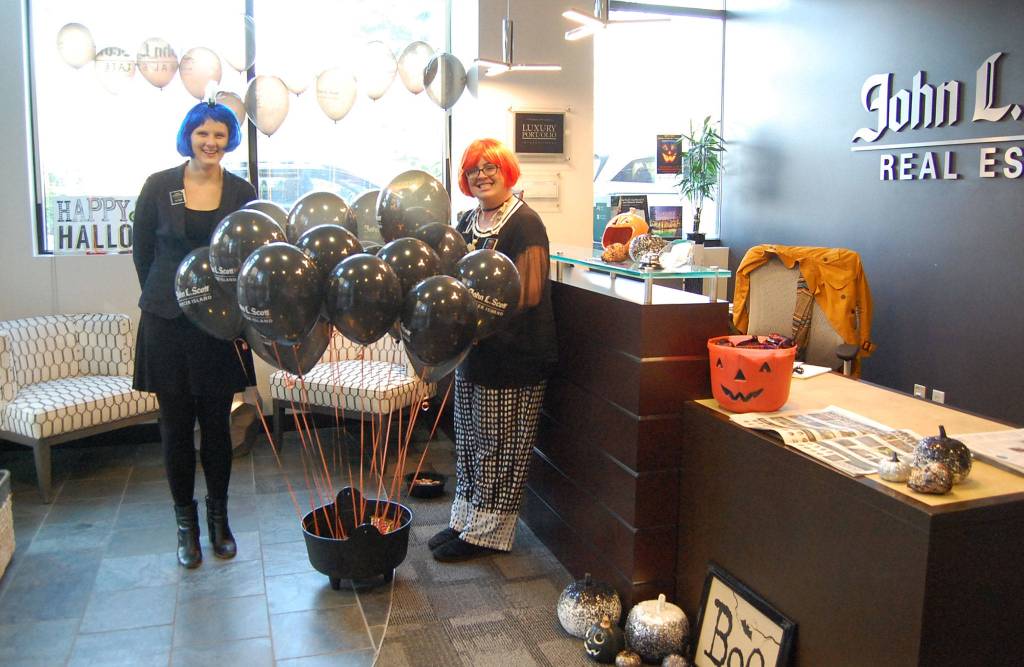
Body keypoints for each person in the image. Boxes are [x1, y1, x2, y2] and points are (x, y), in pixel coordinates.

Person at [132, 102, 257, 568]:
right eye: (203, 133)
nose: (211, 142)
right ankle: (185, 527)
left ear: (229, 140)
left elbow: (252, 253)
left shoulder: (242, 190)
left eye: (220, 134)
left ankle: (219, 521)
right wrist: (168, 295)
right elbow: (142, 253)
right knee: (175, 428)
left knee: (219, 428)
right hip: (167, 324)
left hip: (219, 326)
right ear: (189, 135)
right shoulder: (160, 186)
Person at [429, 138, 558, 562]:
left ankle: (487, 533)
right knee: (468, 442)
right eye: (472, 171)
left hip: (514, 357)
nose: (481, 176)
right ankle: (465, 519)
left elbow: (530, 294)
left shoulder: (526, 223)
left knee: (499, 448)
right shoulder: (468, 220)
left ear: (506, 171)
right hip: (474, 355)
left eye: (489, 168)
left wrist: (482, 326)